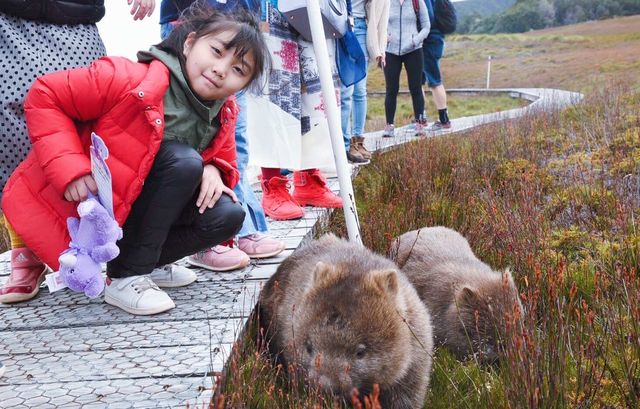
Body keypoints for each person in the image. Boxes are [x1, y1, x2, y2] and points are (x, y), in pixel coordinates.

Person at [1, 6, 271, 315]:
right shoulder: (129, 78)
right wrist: (71, 171)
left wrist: (216, 169)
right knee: (183, 162)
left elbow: (225, 158)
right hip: (82, 211)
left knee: (227, 215)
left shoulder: (221, 112)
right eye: (216, 51)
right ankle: (127, 277)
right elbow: (45, 95)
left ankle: (144, 264)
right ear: (188, 42)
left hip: (129, 215)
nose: (222, 69)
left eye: (239, 70)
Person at [0, 0, 156, 304]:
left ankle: (90, 242)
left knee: (85, 128)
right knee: (9, 133)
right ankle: (26, 248)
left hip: (76, 18)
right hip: (9, 17)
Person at [160, 0, 285, 272]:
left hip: (240, 27)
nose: (220, 69)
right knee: (183, 138)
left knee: (234, 141)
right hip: (194, 19)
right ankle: (204, 242)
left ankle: (242, 229)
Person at [245, 0, 343, 221]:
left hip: (311, 10)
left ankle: (307, 178)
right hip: (269, 9)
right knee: (275, 88)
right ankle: (272, 184)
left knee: (316, 90)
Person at [339, 0, 389, 164]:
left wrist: (380, 49)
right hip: (340, 25)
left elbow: (382, 16)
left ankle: (357, 141)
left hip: (361, 28)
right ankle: (344, 146)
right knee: (347, 91)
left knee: (360, 91)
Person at [381, 0, 430, 138]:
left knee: (415, 87)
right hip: (391, 51)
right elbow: (378, 22)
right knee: (391, 89)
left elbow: (426, 26)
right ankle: (389, 125)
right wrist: (384, 35)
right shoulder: (387, 2)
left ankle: (419, 124)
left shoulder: (417, 1)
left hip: (413, 50)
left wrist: (416, 40)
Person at [422, 0, 450, 131]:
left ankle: (444, 120)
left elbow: (428, 15)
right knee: (419, 80)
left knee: (434, 81)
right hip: (435, 37)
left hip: (429, 40)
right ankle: (420, 118)